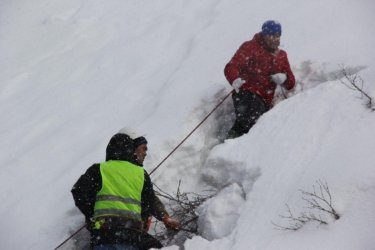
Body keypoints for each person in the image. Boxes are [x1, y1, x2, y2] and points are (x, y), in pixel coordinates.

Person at [71, 131, 180, 250]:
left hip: (103, 235)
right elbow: (148, 201)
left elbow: (79, 191)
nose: (145, 154)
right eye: (143, 149)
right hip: (131, 236)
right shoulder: (140, 174)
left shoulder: (99, 170)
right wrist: (143, 221)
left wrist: (93, 214)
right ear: (131, 150)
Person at [224, 20, 296, 139]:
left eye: (278, 35)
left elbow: (291, 83)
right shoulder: (249, 47)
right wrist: (234, 79)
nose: (275, 39)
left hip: (265, 101)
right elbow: (231, 66)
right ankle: (229, 145)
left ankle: (232, 143)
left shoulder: (281, 55)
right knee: (250, 120)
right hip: (246, 93)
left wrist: (284, 78)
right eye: (272, 35)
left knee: (251, 126)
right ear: (264, 35)